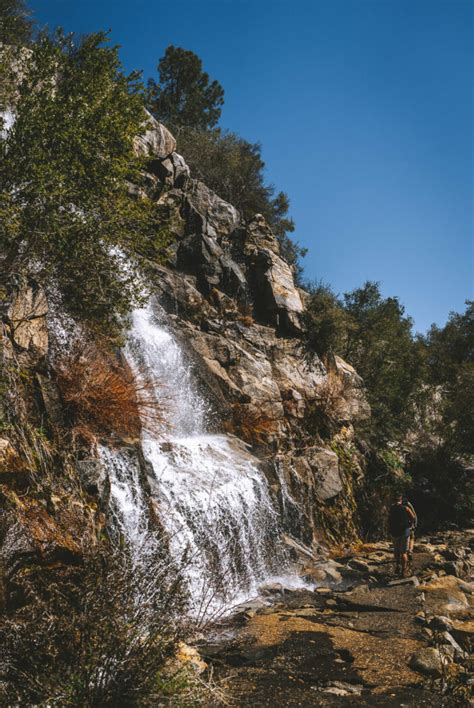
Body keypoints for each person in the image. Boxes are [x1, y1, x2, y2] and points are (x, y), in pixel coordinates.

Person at [388, 494, 416, 577]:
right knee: (403, 552)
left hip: (394, 532)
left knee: (396, 551)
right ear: (401, 500)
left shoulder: (391, 509)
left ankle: (397, 565)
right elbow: (413, 517)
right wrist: (410, 524)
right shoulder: (406, 508)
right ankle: (403, 570)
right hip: (404, 532)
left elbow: (389, 521)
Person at [403, 496, 417, 560]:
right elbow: (414, 515)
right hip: (409, 524)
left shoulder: (396, 505)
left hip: (401, 526)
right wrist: (414, 525)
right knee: (411, 538)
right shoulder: (408, 504)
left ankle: (404, 552)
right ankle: (410, 551)